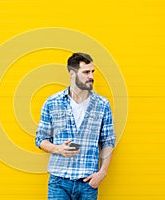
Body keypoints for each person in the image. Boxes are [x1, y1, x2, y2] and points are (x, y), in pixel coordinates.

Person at [35, 52, 116, 200]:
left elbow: (108, 141)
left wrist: (102, 172)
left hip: (88, 183)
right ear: (72, 73)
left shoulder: (102, 105)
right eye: (86, 72)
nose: (91, 76)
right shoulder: (52, 102)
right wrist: (57, 148)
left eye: (92, 72)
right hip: (59, 182)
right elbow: (40, 139)